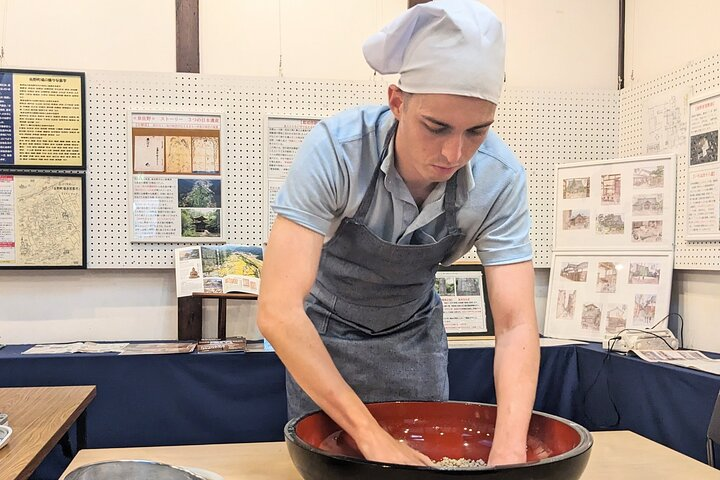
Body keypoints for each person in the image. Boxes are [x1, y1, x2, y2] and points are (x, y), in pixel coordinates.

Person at [257, 0, 540, 468]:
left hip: (414, 337)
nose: (454, 153)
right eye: (436, 126)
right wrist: (369, 435)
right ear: (397, 101)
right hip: (322, 335)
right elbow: (278, 309)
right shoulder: (337, 151)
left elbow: (515, 325)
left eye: (477, 132)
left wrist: (509, 447)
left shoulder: (500, 180)